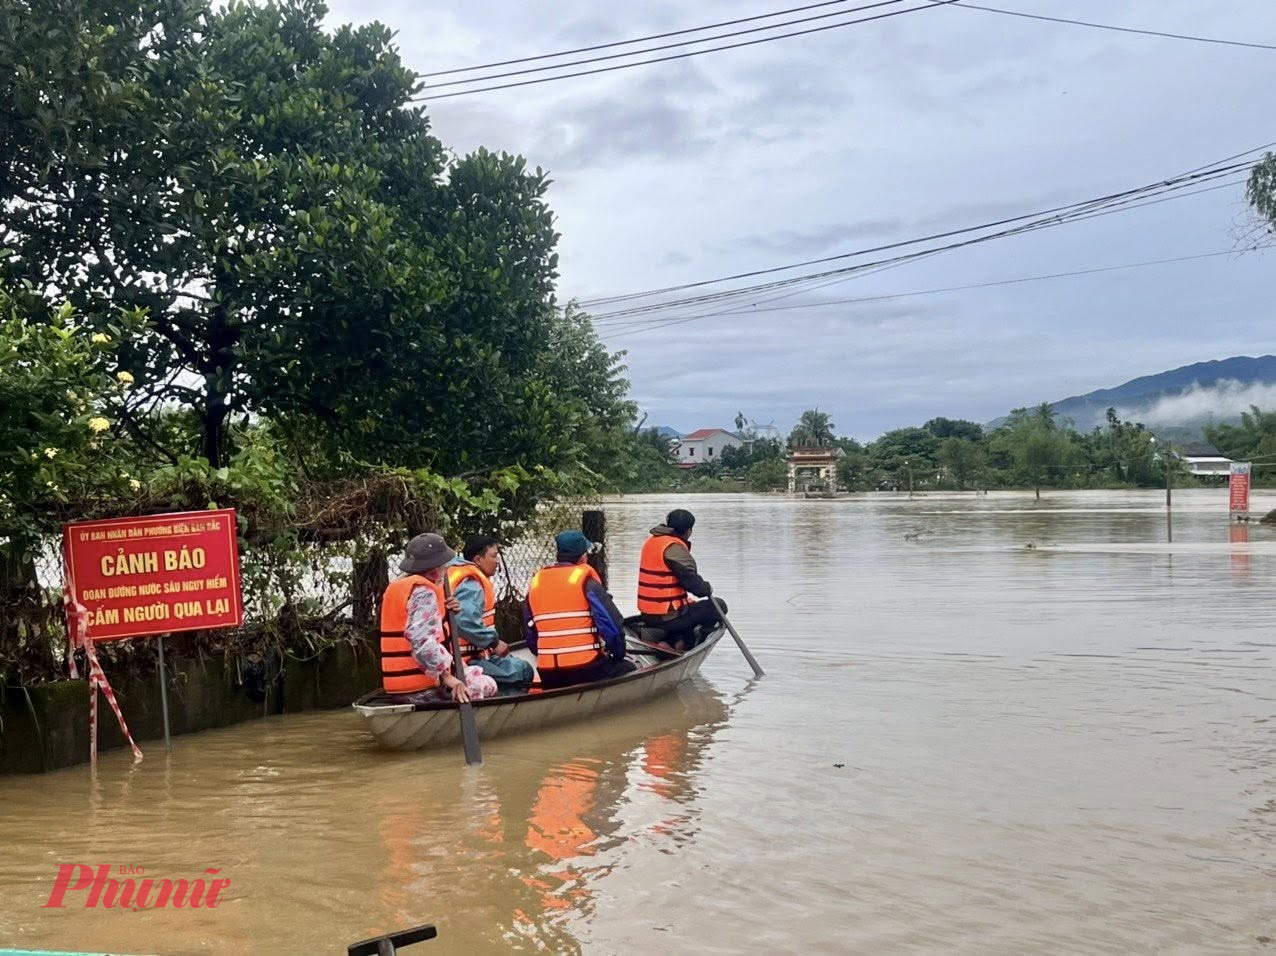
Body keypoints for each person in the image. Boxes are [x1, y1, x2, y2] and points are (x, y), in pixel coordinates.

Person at [380, 533, 497, 703]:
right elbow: (421, 640)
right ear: (435, 566)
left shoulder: (399, 586)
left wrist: (446, 612)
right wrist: (449, 678)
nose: (446, 568)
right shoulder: (424, 592)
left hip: (398, 686)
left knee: (478, 679)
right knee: (488, 686)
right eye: (444, 564)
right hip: (422, 689)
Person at [523, 530, 635, 690]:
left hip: (549, 673)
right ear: (583, 557)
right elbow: (611, 626)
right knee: (628, 669)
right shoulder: (587, 583)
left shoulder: (537, 583)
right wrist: (617, 654)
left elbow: (530, 631)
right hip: (585, 668)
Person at [446, 535, 535, 693]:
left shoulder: (453, 574)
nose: (498, 561)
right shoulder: (472, 584)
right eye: (493, 556)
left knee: (513, 665)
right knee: (522, 670)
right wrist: (494, 642)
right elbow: (464, 621)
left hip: (459, 658)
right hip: (466, 661)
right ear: (478, 559)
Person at [637, 508, 727, 650]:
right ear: (689, 531)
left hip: (648, 615)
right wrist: (707, 588)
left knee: (688, 611)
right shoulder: (674, 548)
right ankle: (687, 646)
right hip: (667, 618)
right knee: (719, 606)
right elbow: (694, 586)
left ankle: (671, 641)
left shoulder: (652, 542)